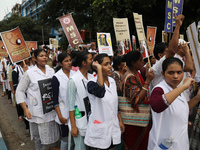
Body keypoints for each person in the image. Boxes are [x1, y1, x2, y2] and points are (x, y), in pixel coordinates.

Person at [148, 57, 200, 150]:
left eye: (179, 72)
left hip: (180, 142)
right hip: (164, 144)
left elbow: (182, 108)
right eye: (171, 73)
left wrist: (197, 98)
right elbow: (156, 106)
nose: (176, 76)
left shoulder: (176, 88)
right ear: (163, 74)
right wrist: (184, 86)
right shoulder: (159, 89)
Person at [16, 49, 60, 150]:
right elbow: (20, 91)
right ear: (35, 58)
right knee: (40, 140)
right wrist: (25, 109)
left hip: (51, 110)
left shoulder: (51, 71)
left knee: (54, 138)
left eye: (45, 55)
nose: (44, 57)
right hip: (37, 112)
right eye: (41, 56)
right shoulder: (29, 73)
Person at [84, 54, 125, 149]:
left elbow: (114, 104)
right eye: (106, 64)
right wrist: (98, 69)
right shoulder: (91, 83)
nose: (110, 66)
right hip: (99, 131)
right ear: (98, 66)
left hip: (113, 127)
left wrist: (120, 120)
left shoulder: (112, 81)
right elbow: (100, 92)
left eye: (110, 63)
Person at [119, 50, 154, 150]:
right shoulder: (130, 77)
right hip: (133, 122)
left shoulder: (136, 74)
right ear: (134, 63)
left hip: (140, 120)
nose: (143, 62)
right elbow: (136, 99)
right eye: (140, 60)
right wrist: (147, 81)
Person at [67, 51, 93, 150]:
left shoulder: (91, 78)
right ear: (84, 63)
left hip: (91, 121)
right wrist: (73, 126)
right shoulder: (73, 80)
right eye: (90, 59)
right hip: (79, 123)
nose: (93, 61)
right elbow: (71, 105)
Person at [52, 52, 75, 150]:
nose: (69, 63)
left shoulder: (75, 74)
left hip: (76, 112)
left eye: (70, 60)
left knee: (75, 137)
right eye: (66, 61)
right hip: (64, 113)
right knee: (65, 139)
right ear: (60, 64)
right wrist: (60, 116)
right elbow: (55, 99)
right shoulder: (56, 77)